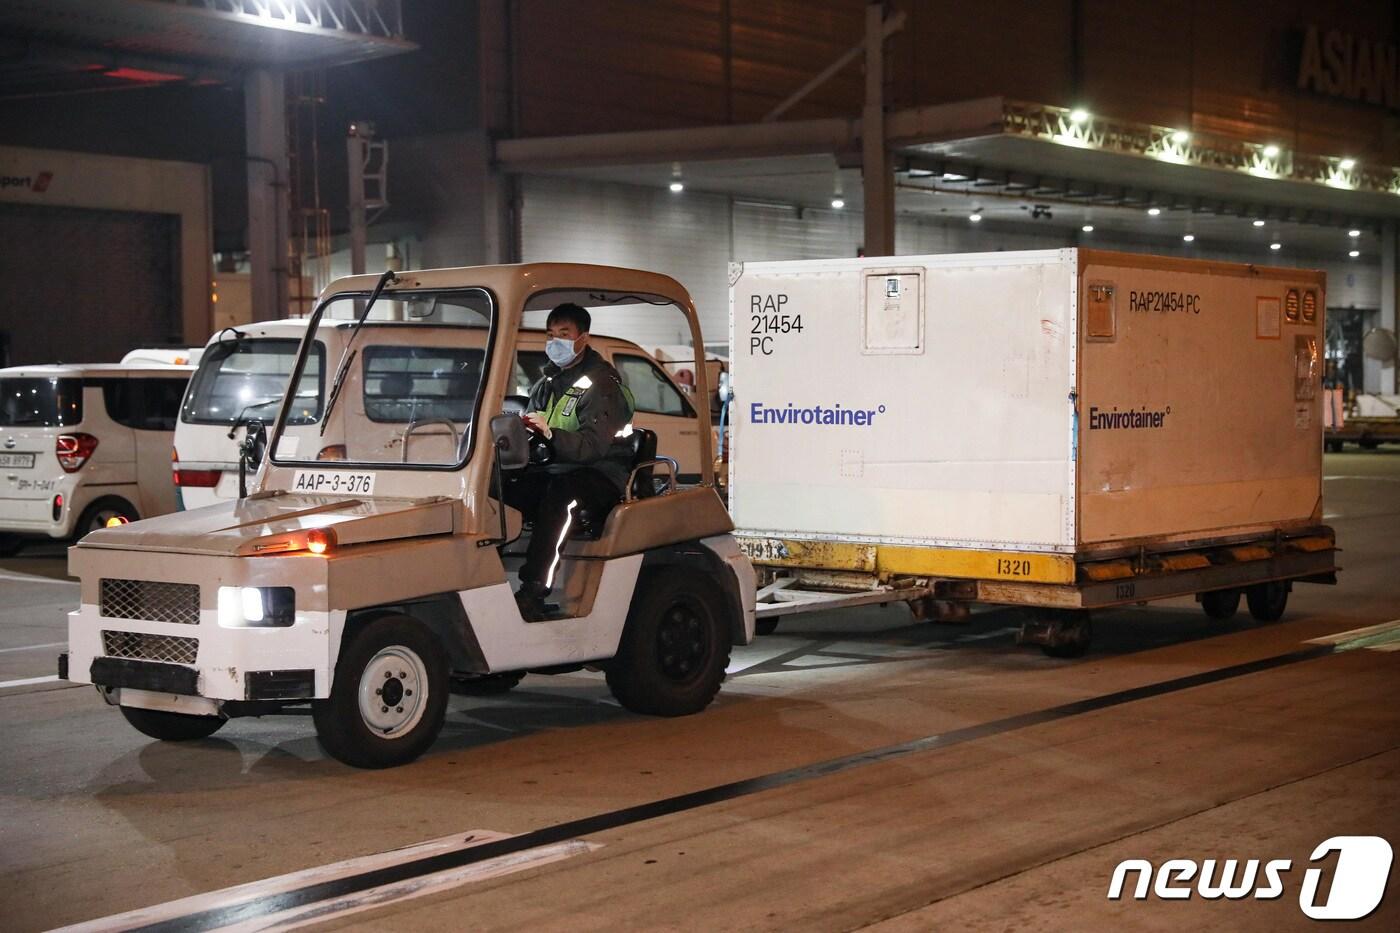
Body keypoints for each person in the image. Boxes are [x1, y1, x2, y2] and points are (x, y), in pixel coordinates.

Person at [504, 302, 635, 620]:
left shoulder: (602, 385)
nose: (555, 342)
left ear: (583, 338)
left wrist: (550, 436)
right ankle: (483, 579)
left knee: (560, 497)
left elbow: (593, 446)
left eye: (564, 334)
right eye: (550, 335)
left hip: (600, 472)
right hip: (556, 466)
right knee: (500, 487)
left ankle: (534, 589)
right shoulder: (545, 384)